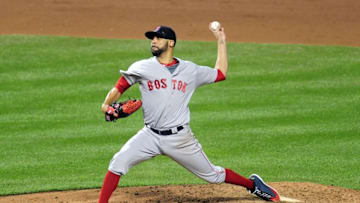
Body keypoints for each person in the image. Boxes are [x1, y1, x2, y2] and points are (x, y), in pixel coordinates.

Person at [98, 24, 280, 202]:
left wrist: (221, 41)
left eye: (158, 38)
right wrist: (106, 105)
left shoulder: (190, 70)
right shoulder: (142, 67)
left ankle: (253, 185)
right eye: (152, 38)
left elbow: (220, 73)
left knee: (213, 176)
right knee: (117, 163)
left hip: (180, 138)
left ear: (171, 43)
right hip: (150, 135)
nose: (153, 41)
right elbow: (121, 85)